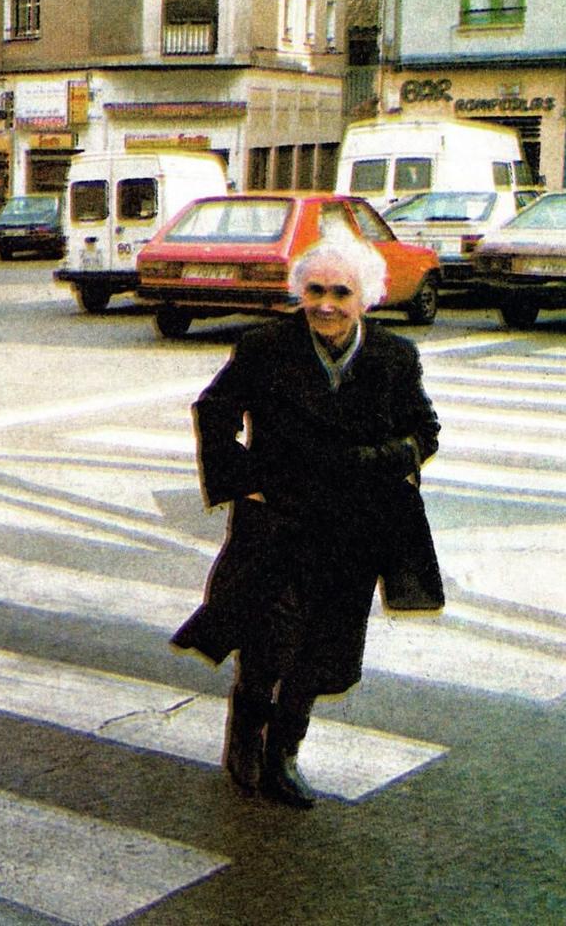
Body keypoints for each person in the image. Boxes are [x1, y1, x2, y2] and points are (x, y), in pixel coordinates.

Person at [170, 236, 443, 810]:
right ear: (300, 292)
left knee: (323, 650)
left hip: (352, 530)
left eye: (340, 292)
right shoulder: (266, 346)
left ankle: (284, 755)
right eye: (314, 290)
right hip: (278, 523)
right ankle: (245, 738)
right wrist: (245, 482)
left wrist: (384, 461)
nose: (325, 304)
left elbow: (425, 431)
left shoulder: (395, 357)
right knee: (269, 640)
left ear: (365, 298)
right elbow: (214, 410)